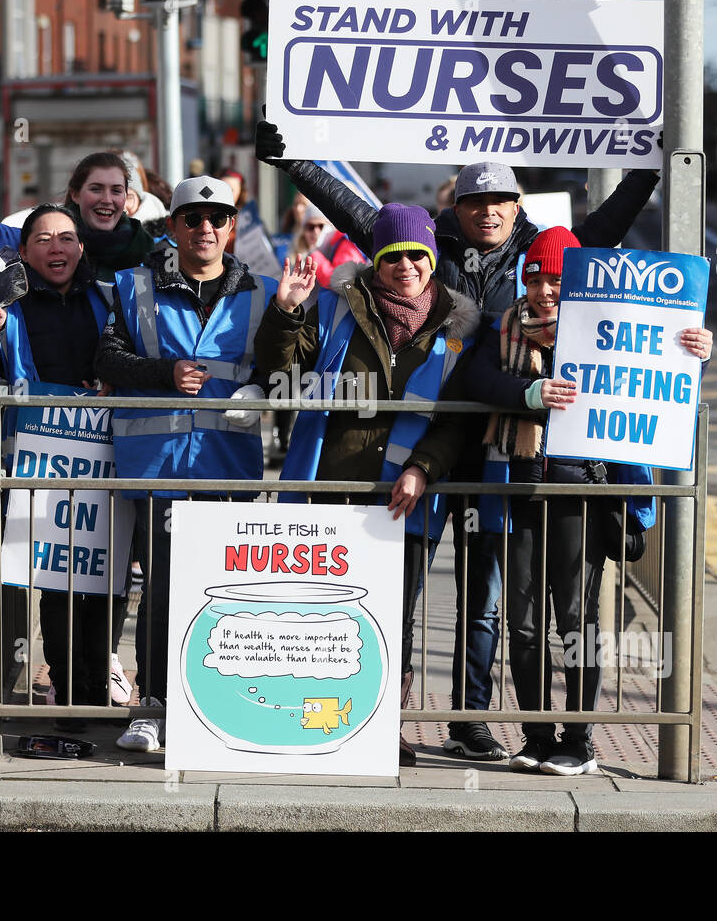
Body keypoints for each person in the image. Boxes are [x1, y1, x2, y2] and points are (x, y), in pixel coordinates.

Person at [256, 120, 661, 761]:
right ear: (458, 207)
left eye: (499, 201)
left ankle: (479, 723)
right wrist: (294, 162)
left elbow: (606, 231)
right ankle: (402, 719)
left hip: (509, 456)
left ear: (517, 206)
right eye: (475, 202)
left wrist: (650, 164)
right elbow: (363, 216)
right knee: (414, 588)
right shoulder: (428, 243)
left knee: (490, 599)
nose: (488, 212)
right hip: (431, 445)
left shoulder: (543, 254)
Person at [466, 226, 712, 775]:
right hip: (522, 488)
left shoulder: (608, 330)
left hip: (582, 494)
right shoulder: (502, 328)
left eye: (555, 279)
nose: (543, 290)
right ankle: (535, 736)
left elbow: (659, 366)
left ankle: (578, 741)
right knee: (524, 622)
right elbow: (476, 380)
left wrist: (701, 351)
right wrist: (528, 393)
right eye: (534, 278)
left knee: (576, 619)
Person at [255, 203, 479, 767]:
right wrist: (285, 314)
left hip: (407, 501)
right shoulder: (335, 308)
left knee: (393, 617)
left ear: (431, 259)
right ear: (375, 261)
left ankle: (383, 726)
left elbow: (458, 419)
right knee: (325, 613)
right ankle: (316, 721)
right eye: (392, 256)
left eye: (416, 255)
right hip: (330, 492)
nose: (405, 266)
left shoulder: (457, 328)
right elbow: (283, 372)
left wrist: (422, 467)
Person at [94, 176, 280, 753]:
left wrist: (261, 394)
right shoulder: (132, 287)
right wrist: (164, 373)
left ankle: (219, 707)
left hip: (227, 467)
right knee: (163, 590)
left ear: (232, 226)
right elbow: (106, 356)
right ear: (171, 226)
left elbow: (282, 366)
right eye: (192, 219)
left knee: (221, 593)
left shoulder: (266, 293)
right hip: (155, 470)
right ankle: (153, 706)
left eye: (217, 219)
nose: (205, 229)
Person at [0, 203, 136, 725]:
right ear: (24, 251)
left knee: (104, 577)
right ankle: (70, 694)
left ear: (82, 248)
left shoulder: (108, 298)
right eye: (45, 239)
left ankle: (96, 686)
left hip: (106, 462)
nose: (58, 248)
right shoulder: (9, 308)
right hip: (39, 467)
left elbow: (130, 359)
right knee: (56, 581)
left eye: (68, 238)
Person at [0, 131, 153, 279]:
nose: (107, 199)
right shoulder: (39, 246)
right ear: (75, 194)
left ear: (126, 198)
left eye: (116, 190)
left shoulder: (150, 250)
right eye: (95, 189)